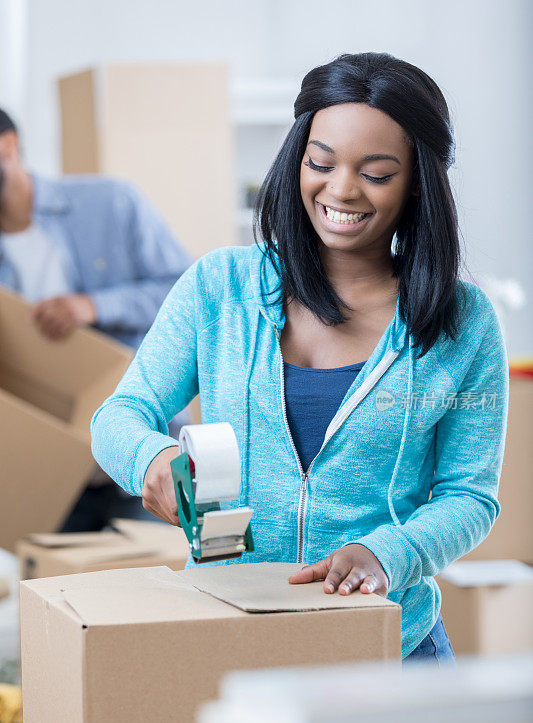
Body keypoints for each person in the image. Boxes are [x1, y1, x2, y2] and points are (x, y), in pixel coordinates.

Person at [90, 52, 509, 663]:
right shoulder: (221, 288)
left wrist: (387, 556)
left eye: (377, 173)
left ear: (418, 179)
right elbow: (120, 414)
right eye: (322, 162)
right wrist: (150, 458)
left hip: (389, 645)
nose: (340, 189)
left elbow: (470, 496)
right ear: (298, 160)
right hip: (232, 637)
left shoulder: (462, 323)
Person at [0, 107, 193, 530]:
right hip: (56, 472)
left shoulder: (110, 203)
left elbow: (187, 292)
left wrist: (95, 305)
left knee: (163, 587)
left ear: (8, 145)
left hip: (148, 455)